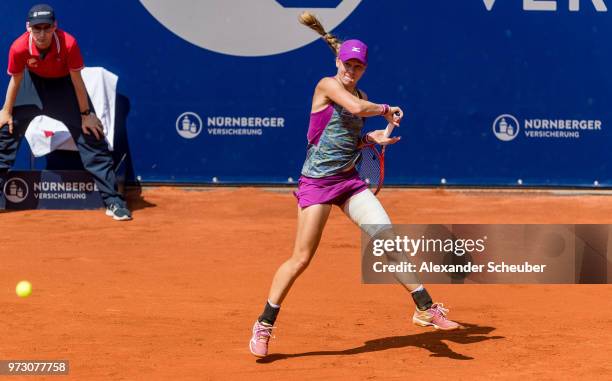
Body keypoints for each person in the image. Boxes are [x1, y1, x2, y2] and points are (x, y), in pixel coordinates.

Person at [249, 12, 459, 358]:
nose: (351, 70)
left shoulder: (360, 92)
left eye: (357, 66)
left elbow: (350, 132)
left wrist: (370, 139)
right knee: (301, 258)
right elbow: (356, 107)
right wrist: (384, 109)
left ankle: (425, 307)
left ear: (363, 68)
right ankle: (264, 323)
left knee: (386, 236)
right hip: (316, 184)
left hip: (348, 181)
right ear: (337, 61)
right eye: (347, 64)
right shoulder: (327, 86)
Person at [0, 4, 131, 220]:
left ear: (55, 27)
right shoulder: (18, 47)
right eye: (36, 29)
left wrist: (86, 114)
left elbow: (78, 81)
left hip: (64, 88)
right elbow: (15, 80)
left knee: (92, 133)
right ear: (28, 28)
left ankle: (113, 202)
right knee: (5, 129)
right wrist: (6, 111)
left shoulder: (69, 44)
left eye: (46, 28)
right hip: (31, 88)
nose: (41, 34)